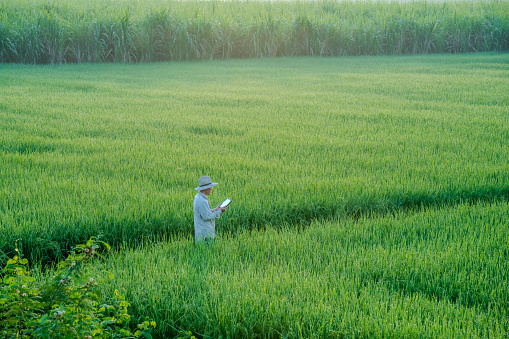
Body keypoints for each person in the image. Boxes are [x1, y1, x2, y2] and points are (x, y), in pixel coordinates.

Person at [193, 176, 227, 243]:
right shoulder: (202, 201)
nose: (211, 189)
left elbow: (204, 212)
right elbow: (207, 217)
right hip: (205, 234)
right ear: (206, 188)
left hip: (201, 232)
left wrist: (216, 209)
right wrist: (220, 211)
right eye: (211, 187)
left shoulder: (198, 197)